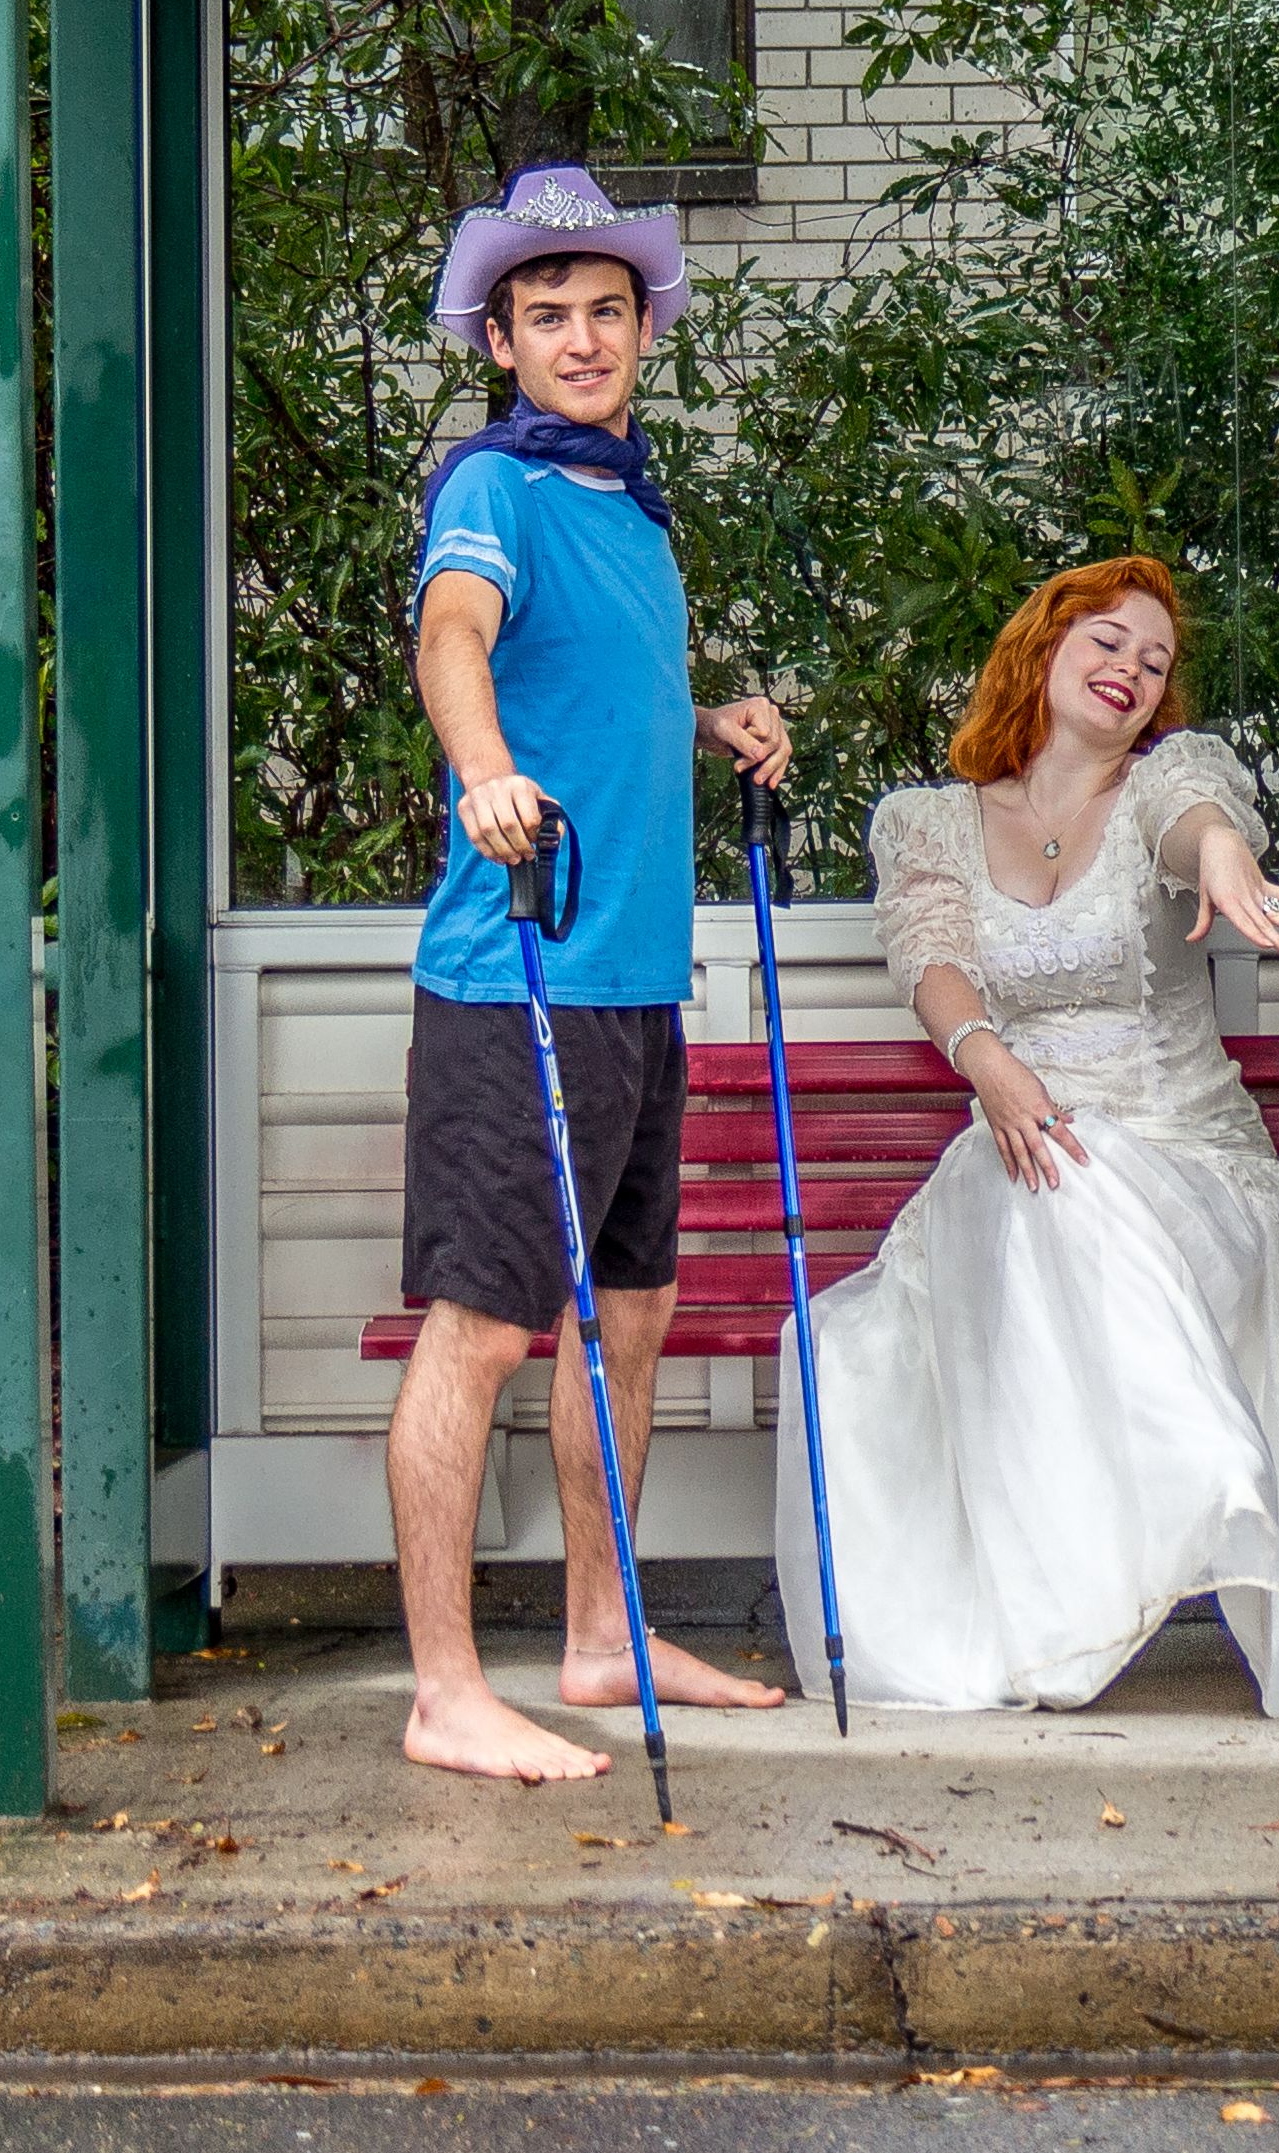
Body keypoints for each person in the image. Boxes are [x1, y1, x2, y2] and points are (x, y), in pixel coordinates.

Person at [782, 556, 1279, 1713]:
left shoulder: (1172, 778)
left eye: (1153, 660)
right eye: (1106, 642)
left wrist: (1222, 855)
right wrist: (989, 1065)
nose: (1129, 669)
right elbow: (930, 957)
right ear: (1043, 649)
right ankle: (1046, 1619)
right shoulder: (928, 823)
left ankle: (1202, 1492)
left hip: (1196, 1172)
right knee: (923, 1281)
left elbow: (1193, 825)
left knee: (1074, 1184)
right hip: (1019, 1144)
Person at [386, 164, 794, 1786]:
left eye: (603, 310)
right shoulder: (492, 484)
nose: (578, 335)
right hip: (517, 969)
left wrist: (709, 729)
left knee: (622, 1318)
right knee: (483, 1327)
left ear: (643, 329)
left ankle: (601, 1632)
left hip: (630, 976)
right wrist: (481, 769)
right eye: (545, 312)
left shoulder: (628, 502)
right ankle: (443, 1687)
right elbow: (456, 638)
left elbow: (598, 693)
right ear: (500, 334)